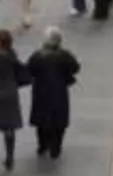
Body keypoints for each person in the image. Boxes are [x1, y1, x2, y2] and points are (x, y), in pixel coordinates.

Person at [27, 25, 78, 160]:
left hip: (41, 92)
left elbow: (30, 70)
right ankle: (56, 147)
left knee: (41, 119)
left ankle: (42, 145)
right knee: (59, 120)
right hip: (59, 91)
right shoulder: (64, 55)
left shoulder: (37, 55)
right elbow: (75, 67)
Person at [0, 26, 22, 169]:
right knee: (9, 128)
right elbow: (23, 73)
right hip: (9, 94)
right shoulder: (12, 55)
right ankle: (10, 157)